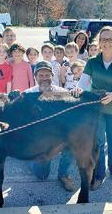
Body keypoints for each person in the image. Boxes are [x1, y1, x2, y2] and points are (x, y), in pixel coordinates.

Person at [76, 26, 112, 190]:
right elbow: (83, 83)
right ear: (99, 42)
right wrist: (79, 91)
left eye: (111, 39)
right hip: (97, 110)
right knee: (99, 143)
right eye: (104, 39)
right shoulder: (93, 62)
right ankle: (99, 175)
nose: (107, 42)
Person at [24, 61, 75, 192]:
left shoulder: (63, 93)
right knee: (42, 176)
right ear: (35, 77)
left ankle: (63, 174)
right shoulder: (27, 94)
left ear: (53, 76)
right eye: (41, 75)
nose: (44, 78)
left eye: (47, 75)